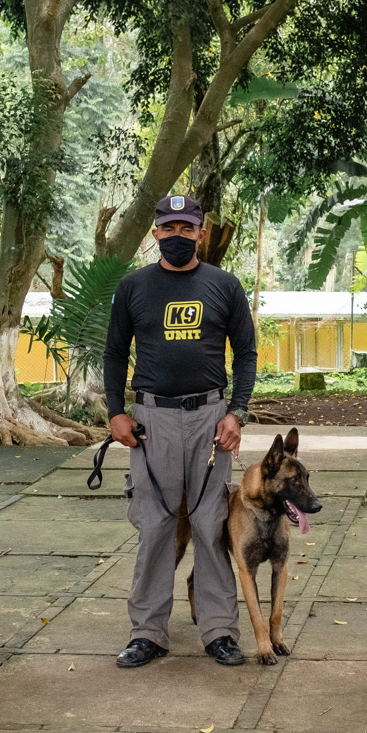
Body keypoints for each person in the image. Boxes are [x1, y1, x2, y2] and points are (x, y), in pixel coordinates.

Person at [103, 193, 256, 669]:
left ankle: (219, 630)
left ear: (201, 234)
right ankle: (147, 632)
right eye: (168, 229)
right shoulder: (134, 287)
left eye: (186, 228)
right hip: (153, 421)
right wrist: (115, 412)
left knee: (211, 525)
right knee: (155, 526)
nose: (177, 236)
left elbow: (246, 354)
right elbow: (114, 353)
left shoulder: (224, 286)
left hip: (210, 419)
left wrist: (237, 413)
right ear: (155, 234)